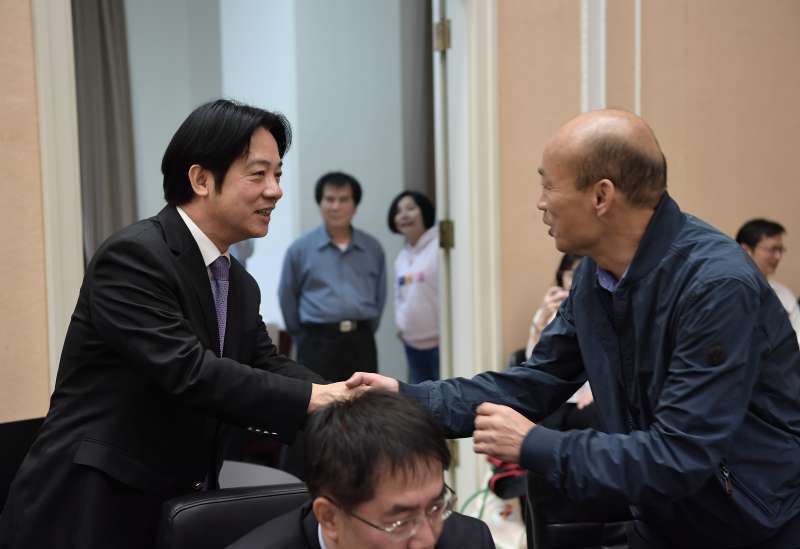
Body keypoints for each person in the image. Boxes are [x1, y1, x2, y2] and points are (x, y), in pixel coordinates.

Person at [348, 110, 800, 548]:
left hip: (753, 527)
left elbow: (679, 455)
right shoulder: (593, 277)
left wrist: (534, 444)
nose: (541, 203)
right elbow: (534, 382)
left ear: (601, 197)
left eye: (548, 185)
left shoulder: (716, 286)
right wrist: (406, 398)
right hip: (663, 521)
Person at [0, 100, 353, 549]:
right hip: (89, 505)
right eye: (258, 174)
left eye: (278, 175)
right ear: (201, 179)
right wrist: (314, 398)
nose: (276, 191)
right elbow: (190, 370)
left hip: (177, 501)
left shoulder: (238, 282)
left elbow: (263, 363)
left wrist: (344, 399)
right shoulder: (134, 257)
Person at [227, 390, 495, 549]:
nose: (426, 539)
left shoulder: (468, 541)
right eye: (400, 521)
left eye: (436, 507)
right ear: (330, 518)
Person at [278, 171, 386, 381]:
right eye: (329, 199)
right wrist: (303, 336)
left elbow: (379, 297)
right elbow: (287, 297)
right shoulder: (300, 249)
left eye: (344, 200)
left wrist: (363, 329)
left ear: (355, 205)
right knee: (318, 399)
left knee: (364, 398)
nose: (336, 206)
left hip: (361, 341)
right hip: (316, 342)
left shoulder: (372, 248)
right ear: (320, 203)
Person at [526, 253, 597, 431]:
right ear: (562, 275)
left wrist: (595, 393)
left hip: (588, 396)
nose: (576, 280)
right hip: (554, 397)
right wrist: (541, 322)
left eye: (582, 274)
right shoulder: (548, 310)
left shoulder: (597, 306)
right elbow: (533, 361)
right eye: (572, 274)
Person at [388, 190, 440, 383]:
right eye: (398, 211)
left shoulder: (439, 247)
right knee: (417, 399)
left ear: (424, 211)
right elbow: (399, 296)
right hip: (412, 345)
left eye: (410, 208)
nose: (404, 215)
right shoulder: (402, 257)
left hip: (440, 344)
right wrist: (401, 325)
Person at [736, 218, 800, 344]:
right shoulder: (727, 290)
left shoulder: (784, 295)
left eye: (780, 250)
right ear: (745, 250)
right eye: (772, 249)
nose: (778, 256)